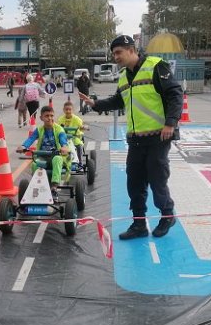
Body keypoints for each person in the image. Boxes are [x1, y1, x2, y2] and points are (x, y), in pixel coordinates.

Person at [79, 34, 183, 239]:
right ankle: (139, 225)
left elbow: (175, 94)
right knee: (134, 182)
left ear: (131, 50)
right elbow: (119, 101)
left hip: (159, 136)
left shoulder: (156, 66)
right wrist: (95, 104)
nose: (116, 57)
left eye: (118, 52)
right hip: (136, 138)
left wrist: (171, 122)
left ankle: (167, 215)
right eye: (113, 54)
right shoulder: (125, 75)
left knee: (157, 179)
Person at [16, 105, 69, 198]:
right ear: (41, 118)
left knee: (57, 159)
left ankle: (54, 187)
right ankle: (38, 186)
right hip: (42, 156)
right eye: (47, 116)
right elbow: (31, 139)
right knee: (35, 164)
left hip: (55, 156)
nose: (50, 118)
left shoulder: (59, 129)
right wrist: (23, 146)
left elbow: (63, 139)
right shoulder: (39, 130)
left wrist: (64, 147)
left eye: (51, 116)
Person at [57, 100, 87, 167]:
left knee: (79, 146)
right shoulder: (60, 119)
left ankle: (80, 161)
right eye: (66, 109)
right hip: (64, 138)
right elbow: (57, 128)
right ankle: (61, 161)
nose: (68, 111)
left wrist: (83, 127)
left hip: (74, 137)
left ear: (72, 110)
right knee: (57, 146)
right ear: (63, 110)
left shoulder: (77, 119)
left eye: (69, 109)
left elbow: (81, 127)